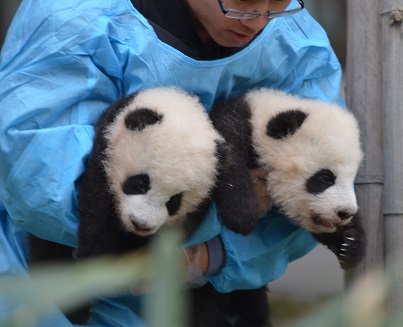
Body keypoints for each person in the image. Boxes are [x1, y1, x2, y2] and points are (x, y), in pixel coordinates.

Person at [0, 0, 346, 326]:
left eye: (277, 5)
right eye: (242, 1)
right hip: (48, 289)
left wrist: (213, 255)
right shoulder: (79, 18)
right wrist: (227, 196)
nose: (258, 21)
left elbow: (316, 195)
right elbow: (39, 178)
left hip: (207, 302)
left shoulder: (296, 44)